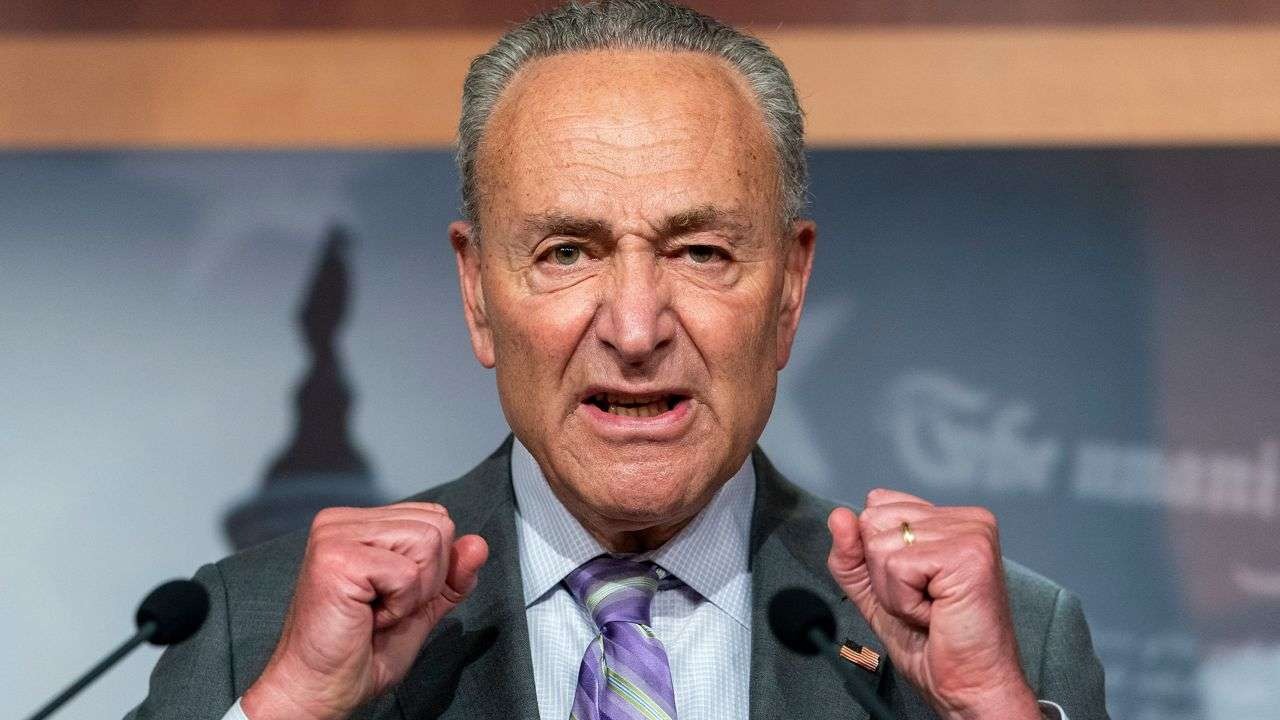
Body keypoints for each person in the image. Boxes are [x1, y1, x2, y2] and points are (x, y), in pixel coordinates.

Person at [127, 2, 1107, 719]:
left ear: (789, 291)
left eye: (700, 252)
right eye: (566, 253)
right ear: (477, 293)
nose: (636, 330)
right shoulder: (251, 634)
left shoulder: (1009, 647)